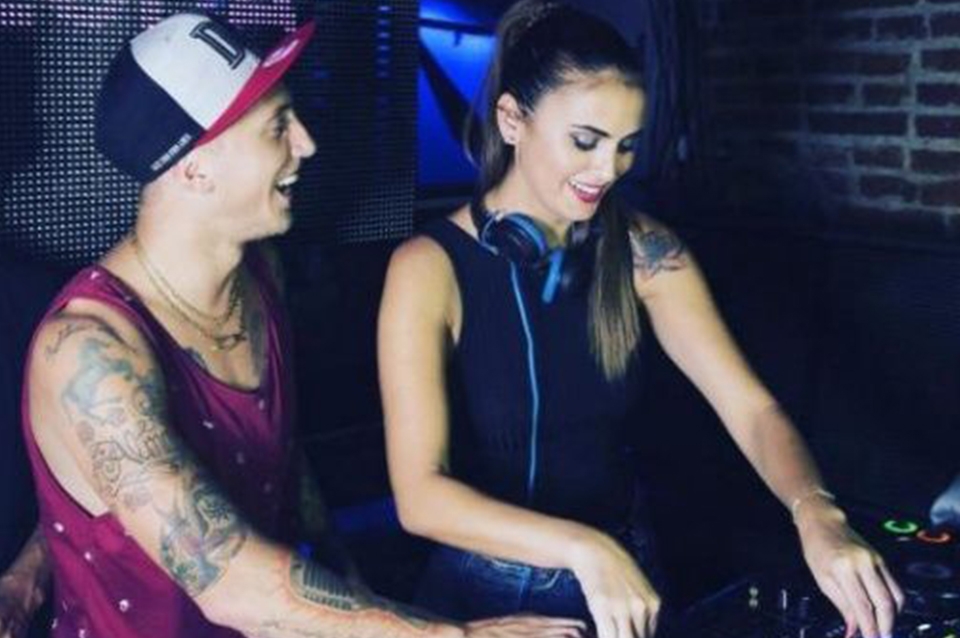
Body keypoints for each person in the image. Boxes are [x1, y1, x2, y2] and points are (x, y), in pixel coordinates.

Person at [18, 12, 585, 638]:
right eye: (278, 126)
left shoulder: (261, 275)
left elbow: (278, 458)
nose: (307, 144)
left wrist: (347, 577)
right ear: (195, 169)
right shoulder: (87, 350)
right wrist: (455, 635)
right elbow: (229, 582)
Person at [377, 2, 905, 637]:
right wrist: (584, 548)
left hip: (629, 572)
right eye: (585, 141)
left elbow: (751, 408)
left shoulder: (643, 250)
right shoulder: (426, 268)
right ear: (512, 119)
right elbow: (420, 497)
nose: (608, 171)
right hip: (495, 594)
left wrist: (815, 511)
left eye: (626, 146)